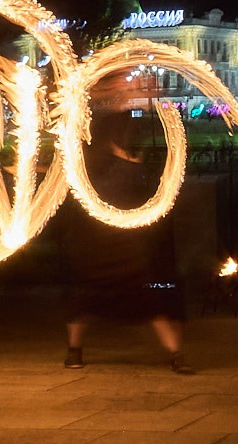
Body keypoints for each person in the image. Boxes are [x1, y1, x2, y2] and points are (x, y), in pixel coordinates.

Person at [61, 101, 194, 373]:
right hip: (111, 247)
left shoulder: (97, 165)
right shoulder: (113, 167)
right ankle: (175, 354)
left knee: (91, 301)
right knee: (126, 302)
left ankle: (75, 352)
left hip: (108, 248)